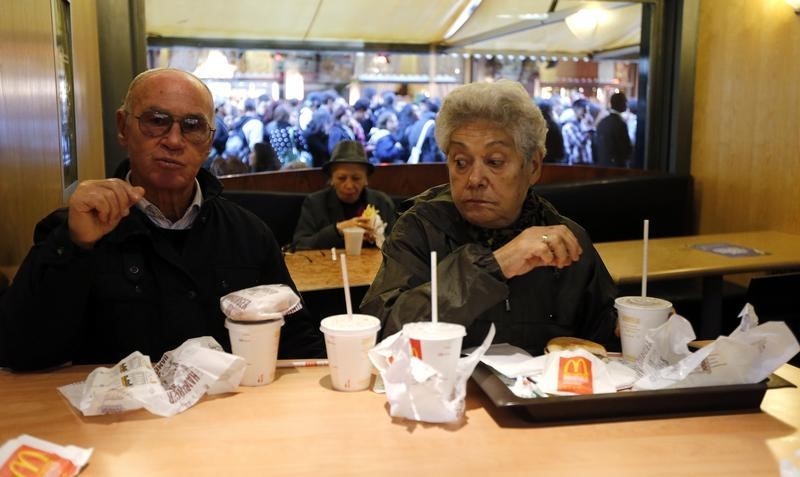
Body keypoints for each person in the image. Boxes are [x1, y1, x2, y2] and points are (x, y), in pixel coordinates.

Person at [0, 68, 323, 371]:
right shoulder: (77, 228)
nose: (173, 140)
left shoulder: (248, 233)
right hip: (119, 424)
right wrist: (73, 246)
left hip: (227, 420)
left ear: (209, 141)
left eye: (192, 126)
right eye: (156, 120)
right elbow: (21, 352)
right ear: (123, 127)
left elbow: (296, 341)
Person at [360, 80, 618, 355]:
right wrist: (495, 266)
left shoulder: (565, 240)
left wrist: (634, 331)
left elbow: (601, 337)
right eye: (461, 162)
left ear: (532, 167)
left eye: (494, 162)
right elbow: (382, 335)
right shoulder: (420, 228)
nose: (474, 179)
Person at [292, 141, 395, 250]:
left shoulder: (382, 202)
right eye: (341, 178)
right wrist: (338, 229)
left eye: (356, 178)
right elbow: (300, 244)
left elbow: (399, 245)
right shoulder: (314, 203)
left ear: (366, 180)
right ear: (331, 179)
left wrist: (378, 237)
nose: (349, 185)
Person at [594, 92, 633, 168]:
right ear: (621, 103)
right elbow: (625, 148)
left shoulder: (603, 121)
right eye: (625, 102)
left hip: (603, 165)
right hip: (617, 167)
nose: (627, 105)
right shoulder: (620, 123)